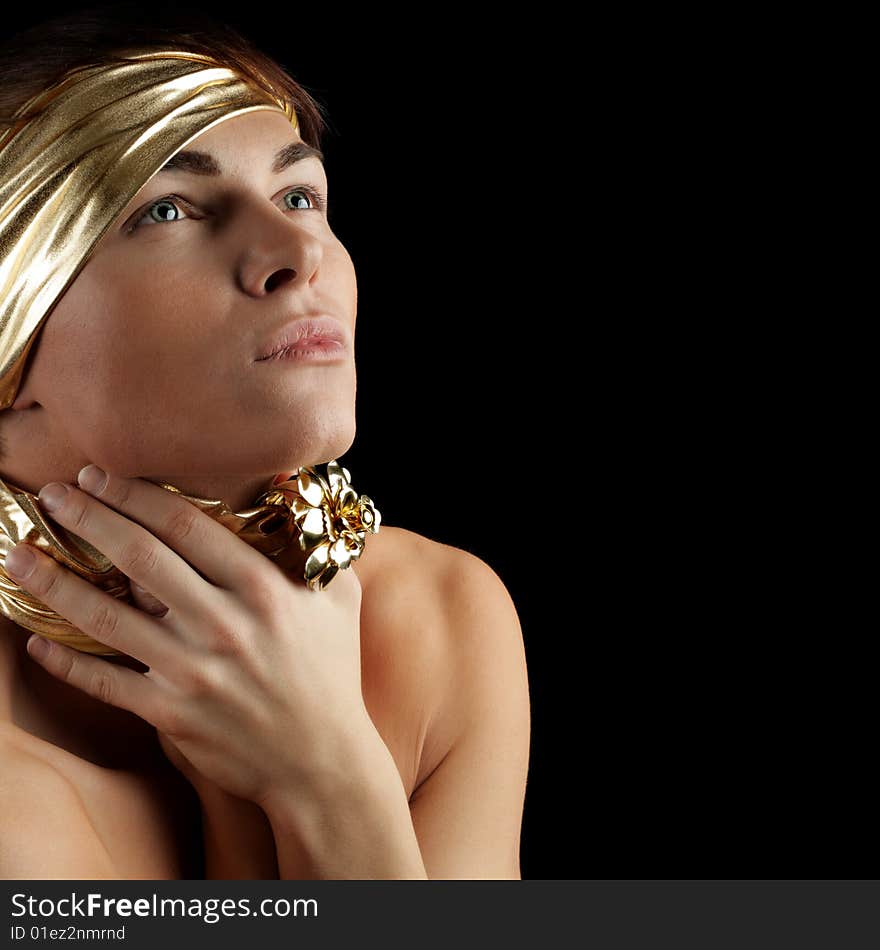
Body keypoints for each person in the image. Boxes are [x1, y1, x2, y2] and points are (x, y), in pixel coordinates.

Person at [0, 6, 530, 880]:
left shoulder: (436, 621)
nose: (297, 250)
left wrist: (328, 774)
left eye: (299, 195)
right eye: (167, 209)